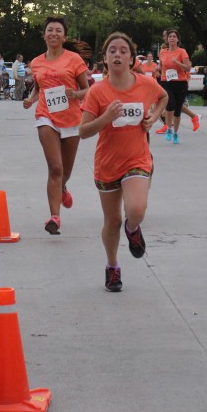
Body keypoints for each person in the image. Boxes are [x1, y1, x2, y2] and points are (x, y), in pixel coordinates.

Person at [79, 32, 168, 292]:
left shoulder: (146, 84)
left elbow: (163, 97)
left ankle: (133, 229)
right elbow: (84, 131)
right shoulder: (97, 91)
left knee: (136, 210)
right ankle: (112, 266)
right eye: (112, 51)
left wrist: (153, 118)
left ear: (131, 58)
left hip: (137, 158)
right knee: (112, 222)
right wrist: (105, 117)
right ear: (105, 59)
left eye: (123, 51)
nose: (117, 54)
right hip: (107, 163)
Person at [23, 16, 91, 234]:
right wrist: (31, 99)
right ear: (44, 35)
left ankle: (61, 187)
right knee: (55, 167)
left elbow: (88, 89)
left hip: (71, 119)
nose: (53, 33)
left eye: (58, 30)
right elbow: (37, 87)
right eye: (50, 30)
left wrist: (75, 93)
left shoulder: (74, 60)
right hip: (46, 116)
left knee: (66, 170)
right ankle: (54, 217)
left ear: (64, 36)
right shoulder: (36, 62)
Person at [158, 29, 191, 144]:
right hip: (166, 81)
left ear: (177, 39)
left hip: (180, 82)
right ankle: (168, 128)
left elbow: (188, 67)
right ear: (167, 39)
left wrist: (177, 62)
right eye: (170, 36)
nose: (172, 38)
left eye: (174, 36)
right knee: (170, 104)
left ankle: (175, 133)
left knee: (177, 110)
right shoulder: (162, 52)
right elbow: (161, 65)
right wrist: (157, 69)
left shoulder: (182, 52)